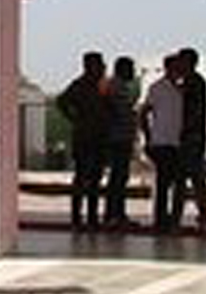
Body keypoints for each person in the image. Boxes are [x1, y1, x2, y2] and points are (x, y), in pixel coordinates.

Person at [56, 51, 108, 231]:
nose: (102, 68)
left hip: (100, 137)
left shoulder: (102, 86)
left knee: (95, 180)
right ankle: (77, 219)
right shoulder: (79, 85)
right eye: (99, 64)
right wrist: (75, 119)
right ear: (88, 66)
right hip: (84, 138)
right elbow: (61, 101)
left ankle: (92, 219)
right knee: (81, 179)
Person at [140, 53, 186, 232]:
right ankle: (161, 219)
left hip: (176, 142)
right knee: (164, 182)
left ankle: (168, 217)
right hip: (161, 142)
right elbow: (144, 113)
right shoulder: (157, 88)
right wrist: (149, 136)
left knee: (173, 182)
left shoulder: (181, 90)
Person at [99, 55, 139, 228]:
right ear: (122, 69)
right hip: (118, 137)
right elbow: (117, 110)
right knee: (118, 178)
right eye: (130, 68)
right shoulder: (115, 87)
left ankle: (116, 214)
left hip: (120, 136)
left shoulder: (116, 86)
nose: (133, 72)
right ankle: (114, 215)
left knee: (119, 178)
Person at [176, 47, 206, 231]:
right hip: (189, 135)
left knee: (194, 176)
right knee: (183, 176)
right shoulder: (189, 82)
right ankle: (180, 213)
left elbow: (195, 111)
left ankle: (203, 212)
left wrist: (184, 128)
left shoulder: (195, 82)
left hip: (191, 136)